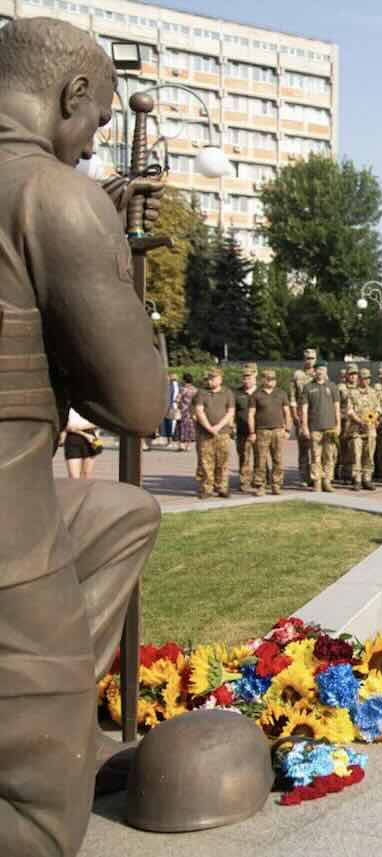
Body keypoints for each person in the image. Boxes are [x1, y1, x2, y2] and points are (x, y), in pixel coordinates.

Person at [0, 20, 170, 855]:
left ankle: (64, 681)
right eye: (98, 123)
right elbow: (136, 404)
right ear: (73, 97)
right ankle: (41, 723)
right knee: (35, 813)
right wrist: (109, 259)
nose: (93, 142)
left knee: (121, 511)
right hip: (6, 544)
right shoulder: (49, 195)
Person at [192, 368, 235, 499]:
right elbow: (199, 412)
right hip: (205, 434)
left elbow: (230, 412)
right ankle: (207, 488)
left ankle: (222, 487)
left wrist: (218, 426)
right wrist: (209, 428)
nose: (210, 381)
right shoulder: (202, 393)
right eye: (209, 378)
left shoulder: (227, 393)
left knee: (223, 462)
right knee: (206, 462)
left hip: (223, 433)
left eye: (213, 378)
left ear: (220, 379)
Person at [247, 368, 290, 496]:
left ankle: (276, 485)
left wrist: (287, 429)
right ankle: (260, 485)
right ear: (263, 380)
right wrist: (252, 432)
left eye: (274, 379)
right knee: (261, 460)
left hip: (278, 430)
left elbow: (287, 412)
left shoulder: (281, 393)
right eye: (269, 379)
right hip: (262, 431)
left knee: (278, 459)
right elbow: (251, 414)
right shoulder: (256, 394)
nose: (272, 381)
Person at [300, 363, 341, 493]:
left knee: (329, 456)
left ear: (326, 371)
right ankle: (317, 482)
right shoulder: (308, 387)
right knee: (316, 456)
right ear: (314, 371)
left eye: (322, 370)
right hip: (315, 428)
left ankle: (327, 481)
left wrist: (338, 425)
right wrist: (305, 427)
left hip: (330, 428)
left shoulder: (332, 386)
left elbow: (337, 408)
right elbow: (304, 410)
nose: (320, 372)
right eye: (318, 370)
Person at [343, 365, 382, 491]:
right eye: (363, 378)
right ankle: (357, 480)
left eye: (368, 378)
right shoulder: (352, 393)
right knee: (356, 455)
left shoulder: (373, 392)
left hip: (370, 430)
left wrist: (374, 419)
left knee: (369, 455)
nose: (366, 380)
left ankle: (367, 479)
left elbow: (378, 409)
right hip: (356, 430)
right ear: (359, 379)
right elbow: (349, 411)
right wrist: (360, 422)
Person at [290, 347, 318, 487]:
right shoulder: (297, 375)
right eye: (308, 358)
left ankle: (315, 476)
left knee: (316, 447)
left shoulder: (320, 374)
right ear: (304, 359)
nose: (310, 361)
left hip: (316, 416)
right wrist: (295, 415)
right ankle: (304, 476)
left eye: (312, 358)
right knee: (303, 449)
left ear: (316, 359)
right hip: (301, 415)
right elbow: (292, 397)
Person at [233, 364, 258, 493]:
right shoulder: (236, 393)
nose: (247, 380)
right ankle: (245, 482)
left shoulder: (261, 392)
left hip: (260, 431)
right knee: (244, 458)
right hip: (243, 432)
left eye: (249, 377)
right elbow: (232, 412)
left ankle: (260, 481)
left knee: (261, 458)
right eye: (244, 377)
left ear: (255, 377)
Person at [61, 407, 103, 479]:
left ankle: (84, 490)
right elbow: (66, 426)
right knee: (73, 477)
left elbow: (98, 422)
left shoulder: (89, 405)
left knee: (86, 475)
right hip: (72, 439)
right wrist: (84, 434)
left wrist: (80, 428)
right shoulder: (67, 405)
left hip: (91, 439)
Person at [175, 372, 197, 452]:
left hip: (183, 411)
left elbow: (177, 399)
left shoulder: (183, 389)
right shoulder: (195, 389)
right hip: (191, 411)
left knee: (181, 428)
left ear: (184, 380)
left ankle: (181, 446)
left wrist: (178, 405)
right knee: (190, 428)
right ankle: (188, 446)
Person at [158, 372, 180, 449]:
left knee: (172, 424)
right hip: (172, 406)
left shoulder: (174, 385)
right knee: (171, 424)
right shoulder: (171, 385)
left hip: (173, 406)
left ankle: (172, 441)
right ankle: (170, 441)